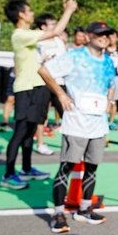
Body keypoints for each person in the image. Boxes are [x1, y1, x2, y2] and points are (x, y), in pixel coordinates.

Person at [39, 21, 117, 234]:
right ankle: (58, 213)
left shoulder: (109, 61)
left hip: (98, 125)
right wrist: (61, 94)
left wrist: (109, 106)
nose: (104, 37)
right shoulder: (75, 56)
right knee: (67, 167)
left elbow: (111, 87)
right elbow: (44, 70)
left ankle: (83, 209)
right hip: (76, 122)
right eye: (100, 34)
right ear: (89, 35)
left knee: (92, 167)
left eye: (107, 34)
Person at [1, 0, 77, 190]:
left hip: (36, 86)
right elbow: (56, 32)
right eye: (29, 10)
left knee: (30, 131)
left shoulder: (26, 34)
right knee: (19, 132)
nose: (32, 13)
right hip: (26, 88)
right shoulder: (20, 34)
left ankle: (26, 168)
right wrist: (68, 10)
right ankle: (8, 174)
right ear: (21, 15)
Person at [34, 13, 67, 156]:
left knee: (68, 114)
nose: (56, 27)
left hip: (59, 82)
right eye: (52, 25)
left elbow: (65, 60)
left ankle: (70, 143)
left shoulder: (59, 42)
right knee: (41, 115)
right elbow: (35, 62)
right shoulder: (37, 42)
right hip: (42, 82)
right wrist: (43, 58)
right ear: (43, 27)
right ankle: (40, 143)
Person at [106, 29, 118, 130]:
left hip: (114, 78)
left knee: (113, 101)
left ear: (117, 38)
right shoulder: (103, 49)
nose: (111, 39)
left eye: (113, 37)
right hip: (104, 78)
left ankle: (111, 121)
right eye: (109, 37)